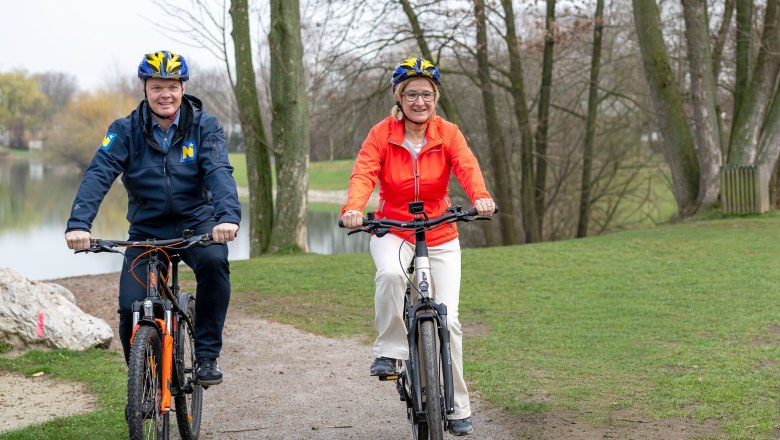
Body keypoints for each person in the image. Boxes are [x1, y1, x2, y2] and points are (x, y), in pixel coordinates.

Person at [65, 50, 240, 386]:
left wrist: (227, 217)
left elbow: (219, 171)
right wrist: (78, 224)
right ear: (145, 89)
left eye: (172, 87)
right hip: (147, 230)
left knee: (215, 264)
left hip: (197, 224)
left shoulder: (205, 126)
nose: (165, 95)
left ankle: (206, 356)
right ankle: (143, 383)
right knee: (130, 307)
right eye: (157, 87)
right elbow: (98, 174)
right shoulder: (124, 130)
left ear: (183, 88)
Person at [340, 57, 495, 436]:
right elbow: (364, 172)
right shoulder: (381, 134)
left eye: (426, 94)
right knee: (391, 274)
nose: (419, 101)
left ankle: (459, 408)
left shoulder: (449, 133)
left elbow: (467, 166)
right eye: (411, 94)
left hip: (439, 230)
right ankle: (391, 351)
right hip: (394, 228)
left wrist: (481, 196)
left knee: (450, 321)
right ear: (399, 97)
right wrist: (354, 208)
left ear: (435, 97)